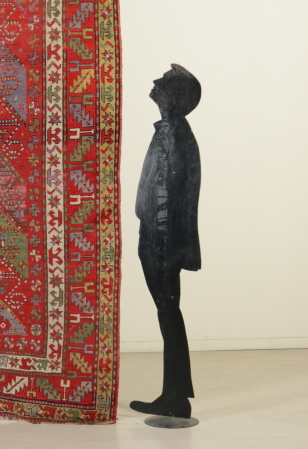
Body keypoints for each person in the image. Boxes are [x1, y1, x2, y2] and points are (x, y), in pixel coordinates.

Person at [130, 64, 201, 419]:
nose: (156, 82)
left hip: (162, 241)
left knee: (168, 313)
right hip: (162, 238)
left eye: (165, 82)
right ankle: (174, 395)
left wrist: (157, 243)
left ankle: (175, 398)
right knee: (168, 313)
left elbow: (166, 192)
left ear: (174, 96)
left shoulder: (172, 132)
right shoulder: (173, 131)